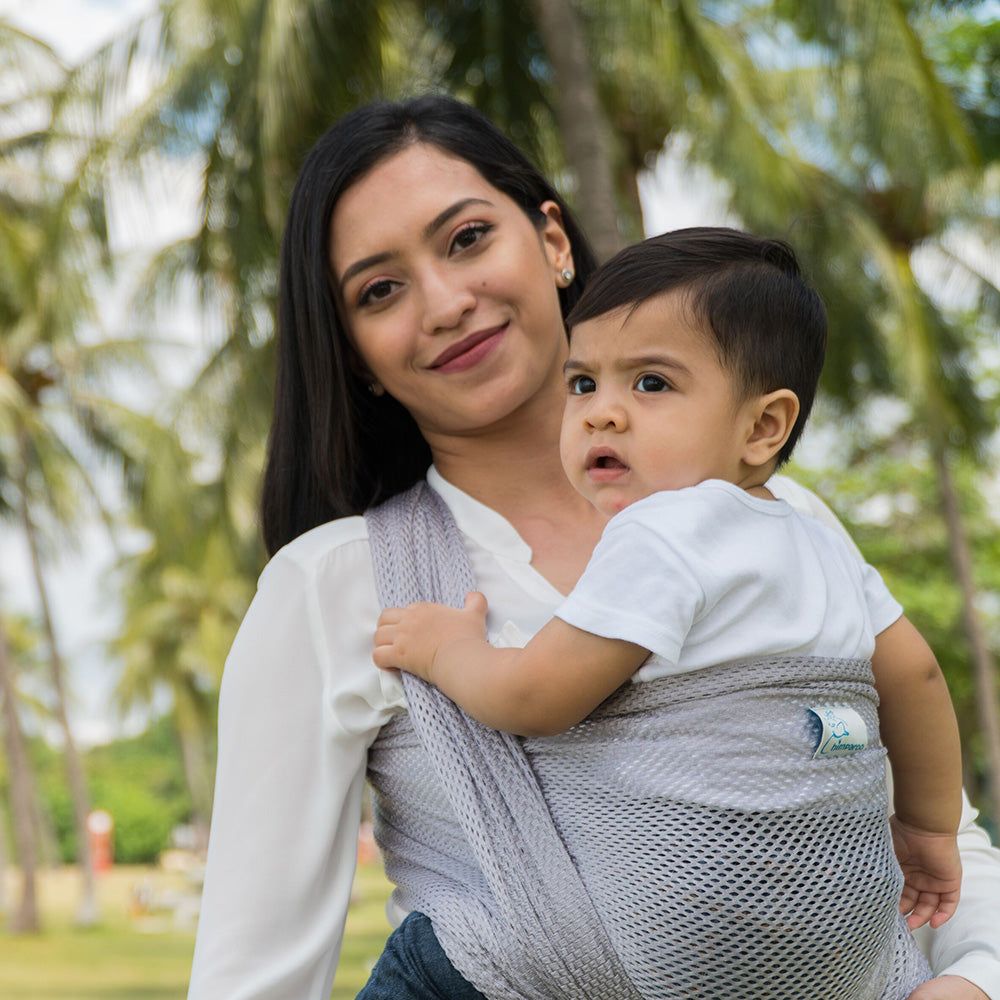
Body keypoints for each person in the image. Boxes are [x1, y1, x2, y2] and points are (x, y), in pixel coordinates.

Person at [186, 95, 1000, 1000]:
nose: (447, 303)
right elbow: (251, 978)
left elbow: (921, 827)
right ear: (354, 354)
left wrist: (975, 976)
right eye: (381, 290)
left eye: (466, 239)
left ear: (554, 242)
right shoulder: (335, 584)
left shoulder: (777, 515)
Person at [372, 227, 963, 997]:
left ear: (763, 427)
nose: (601, 414)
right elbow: (914, 673)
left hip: (693, 928)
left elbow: (535, 698)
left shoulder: (662, 531)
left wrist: (445, 650)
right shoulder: (816, 539)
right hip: (838, 937)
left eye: (650, 384)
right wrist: (926, 829)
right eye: (582, 384)